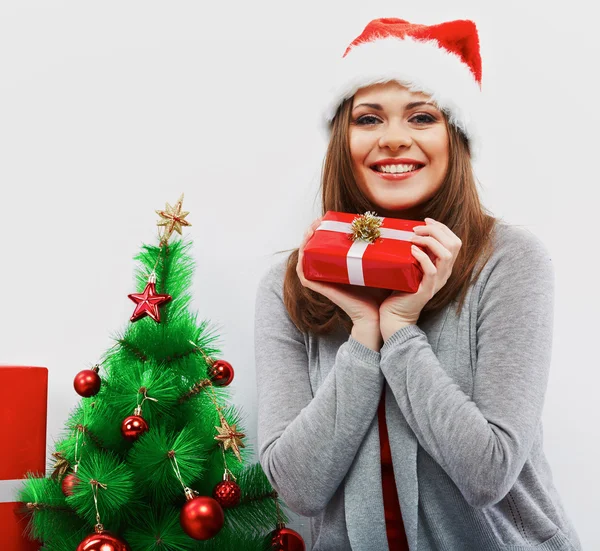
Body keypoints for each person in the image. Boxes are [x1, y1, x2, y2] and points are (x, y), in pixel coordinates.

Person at [254, 17, 582, 551]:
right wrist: (363, 335)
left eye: (422, 116)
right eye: (369, 119)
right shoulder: (289, 285)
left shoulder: (510, 262)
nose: (394, 139)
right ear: (345, 139)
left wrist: (401, 331)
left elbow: (488, 473)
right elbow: (297, 486)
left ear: (455, 138)